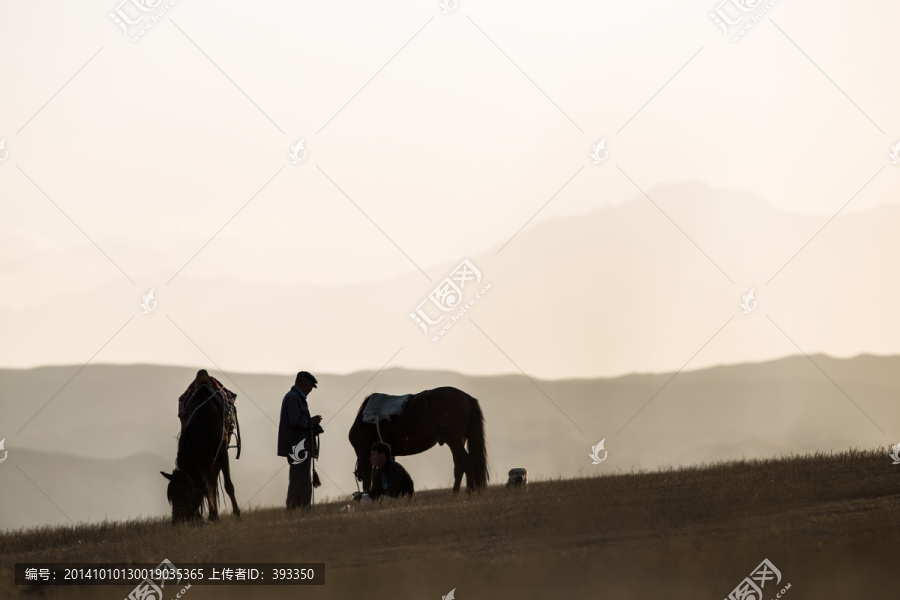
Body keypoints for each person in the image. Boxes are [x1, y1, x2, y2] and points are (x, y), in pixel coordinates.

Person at [277, 371, 323, 510]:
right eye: (309, 386)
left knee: (300, 479)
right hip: (298, 448)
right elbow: (295, 421)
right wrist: (311, 422)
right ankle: (297, 509)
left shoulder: (295, 397)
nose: (310, 390)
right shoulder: (294, 398)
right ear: (303, 383)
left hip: (298, 447)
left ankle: (299, 510)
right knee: (299, 480)